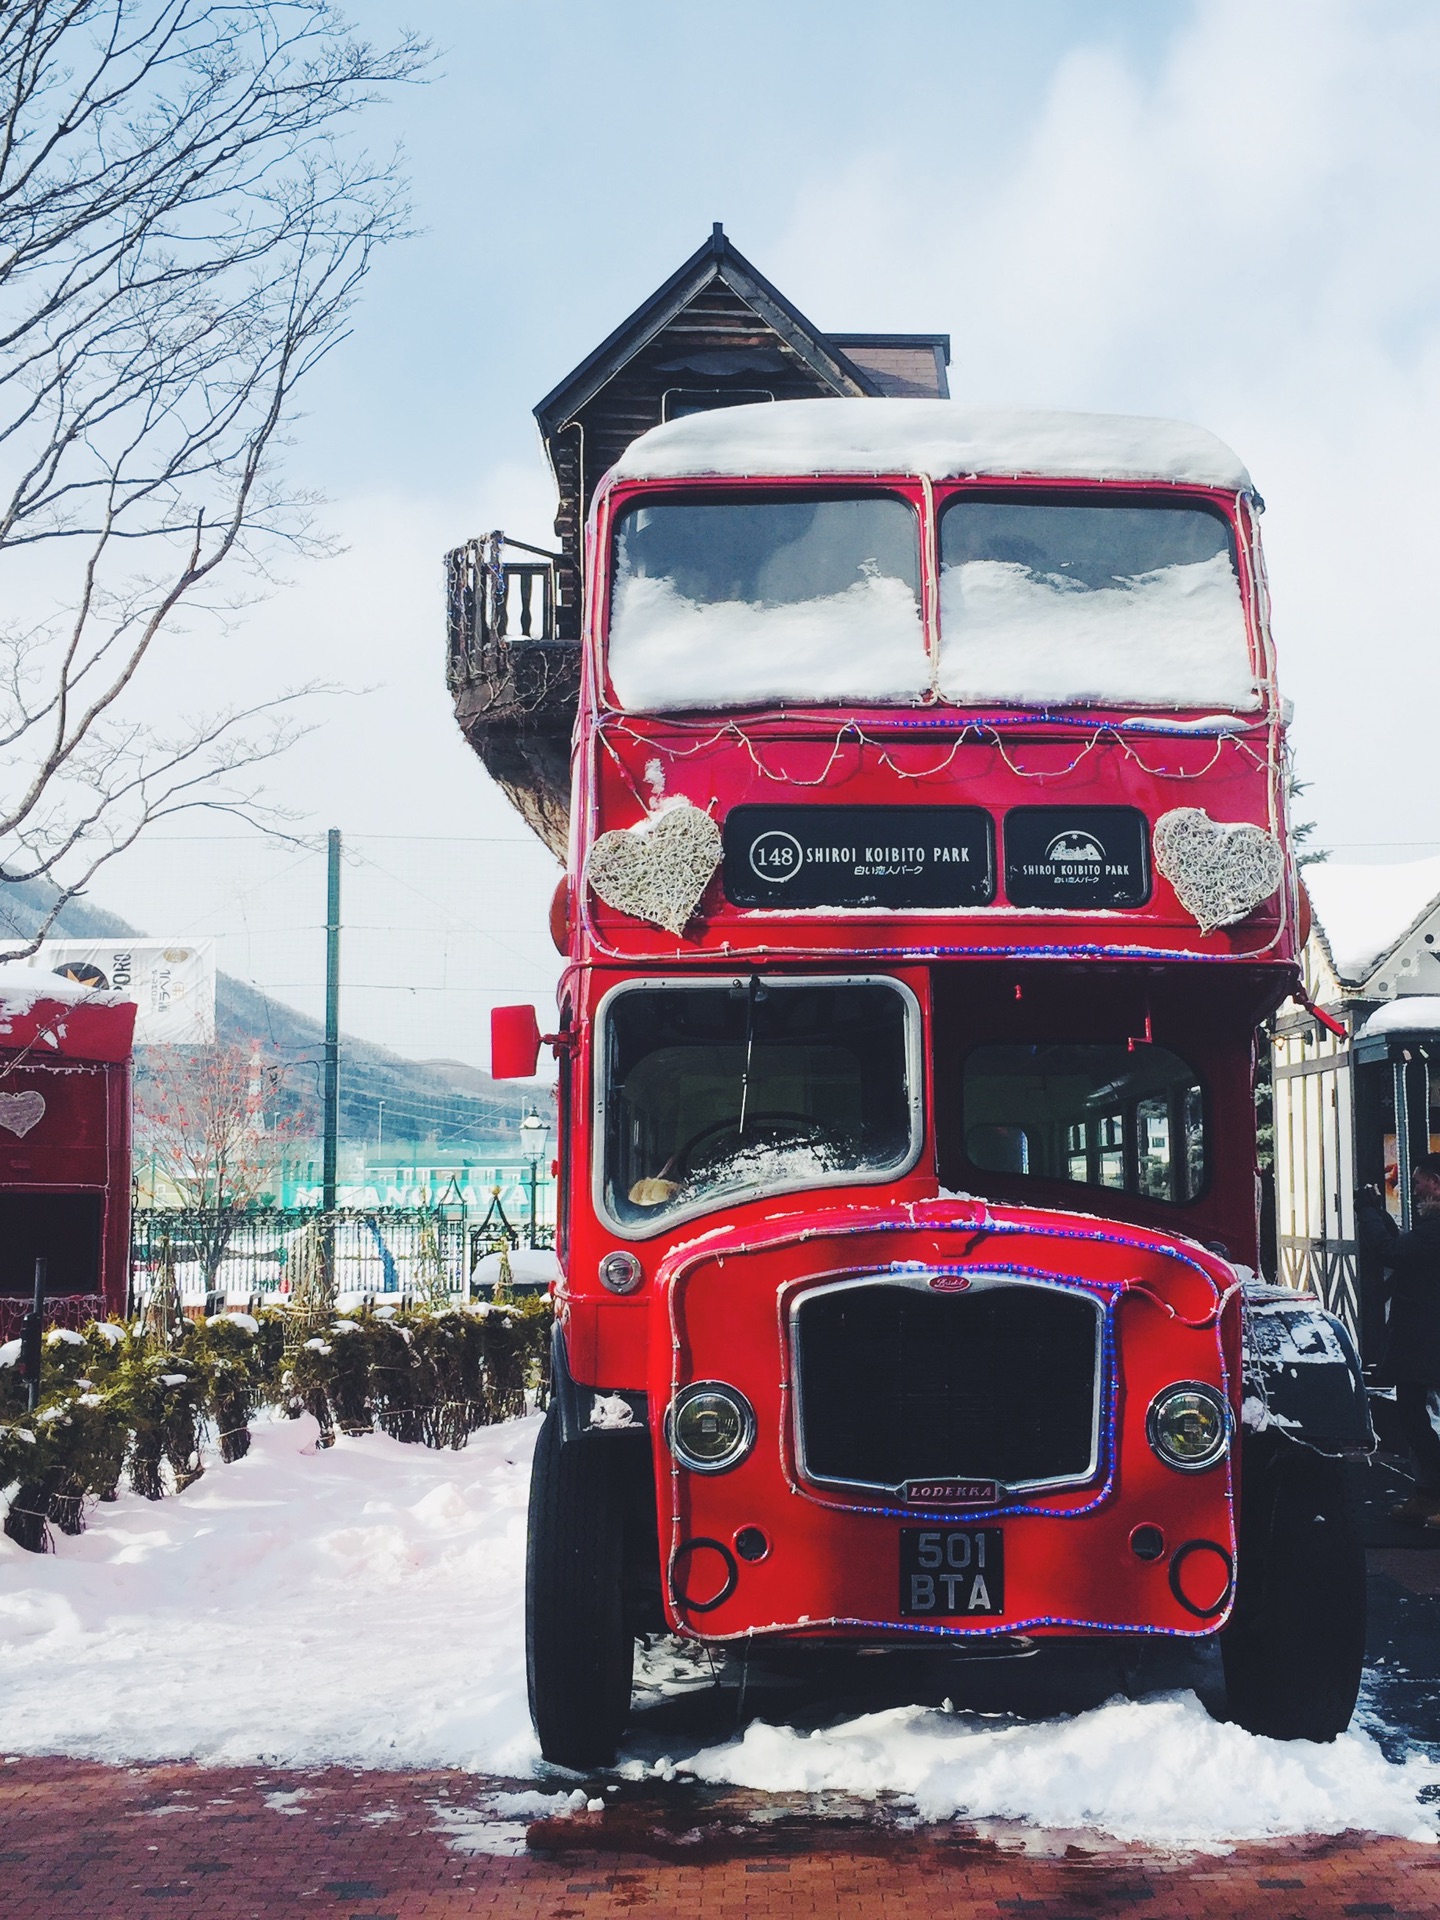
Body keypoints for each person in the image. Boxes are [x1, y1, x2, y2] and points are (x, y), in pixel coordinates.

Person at [1367, 1155, 1440, 1523]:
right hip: (1422, 1338)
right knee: (1411, 1413)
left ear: (1437, 1185)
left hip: (1426, 1337)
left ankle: (1433, 1494)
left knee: (1413, 1414)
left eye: (1419, 1181)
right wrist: (1380, 1215)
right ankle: (1428, 1495)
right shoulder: (1429, 1229)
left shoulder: (1435, 1228)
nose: (1412, 1187)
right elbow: (1402, 1248)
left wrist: (1369, 1215)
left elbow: (1392, 1251)